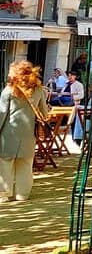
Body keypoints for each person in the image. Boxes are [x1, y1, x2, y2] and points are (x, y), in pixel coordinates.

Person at [0, 61, 49, 201]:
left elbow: (2, 114)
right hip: (28, 134)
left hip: (8, 134)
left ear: (16, 74)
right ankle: (22, 194)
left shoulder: (9, 90)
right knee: (26, 164)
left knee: (5, 163)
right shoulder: (39, 90)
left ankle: (4, 195)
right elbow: (44, 114)